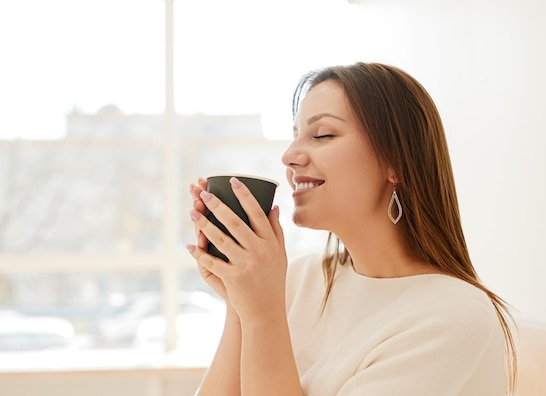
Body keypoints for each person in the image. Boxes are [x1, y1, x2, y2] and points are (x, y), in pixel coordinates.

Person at [187, 62, 517, 395]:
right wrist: (239, 304)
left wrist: (261, 314)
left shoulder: (454, 318)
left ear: (395, 162)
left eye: (322, 135)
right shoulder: (299, 280)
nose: (289, 156)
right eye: (295, 136)